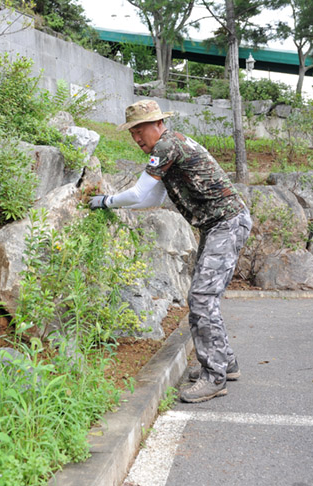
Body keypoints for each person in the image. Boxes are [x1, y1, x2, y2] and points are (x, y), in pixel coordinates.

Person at [89, 99, 252, 403]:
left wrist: (106, 201)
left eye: (140, 130)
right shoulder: (170, 149)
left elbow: (138, 192)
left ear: (158, 124)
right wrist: (113, 205)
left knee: (202, 296)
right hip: (218, 225)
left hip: (227, 223)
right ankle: (225, 364)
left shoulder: (166, 145)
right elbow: (151, 199)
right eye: (132, 133)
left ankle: (214, 377)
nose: (137, 138)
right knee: (202, 295)